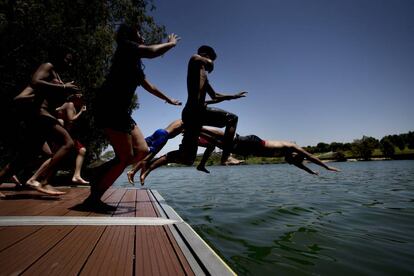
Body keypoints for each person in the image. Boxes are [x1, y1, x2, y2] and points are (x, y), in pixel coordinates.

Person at [81, 24, 181, 211]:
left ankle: (97, 172)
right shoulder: (126, 47)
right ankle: (93, 200)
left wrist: (168, 99)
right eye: (139, 33)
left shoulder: (133, 63)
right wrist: (171, 44)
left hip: (120, 111)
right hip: (108, 107)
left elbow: (148, 86)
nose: (142, 35)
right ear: (130, 36)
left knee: (142, 151)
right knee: (125, 157)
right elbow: (151, 51)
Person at [147, 46, 246, 175]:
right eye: (210, 58)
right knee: (232, 118)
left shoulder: (204, 76)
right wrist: (210, 62)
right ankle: (226, 156)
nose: (210, 63)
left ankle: (148, 165)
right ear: (205, 54)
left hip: (195, 114)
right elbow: (207, 63)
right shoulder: (195, 59)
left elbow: (215, 96)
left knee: (188, 157)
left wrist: (232, 96)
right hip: (194, 111)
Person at [0, 49, 79, 195]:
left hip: (43, 115)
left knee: (24, 156)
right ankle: (45, 182)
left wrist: (66, 90)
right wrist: (63, 87)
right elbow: (35, 81)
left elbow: (50, 95)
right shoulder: (48, 66)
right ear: (58, 57)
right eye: (67, 60)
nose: (69, 63)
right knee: (68, 143)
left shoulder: (57, 75)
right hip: (39, 113)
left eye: (70, 61)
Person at [196, 127, 341, 175]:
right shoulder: (291, 146)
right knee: (227, 137)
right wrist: (326, 166)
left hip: (249, 151)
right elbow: (310, 156)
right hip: (254, 142)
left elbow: (301, 164)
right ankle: (198, 127)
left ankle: (196, 134)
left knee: (220, 144)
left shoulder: (289, 157)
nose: (297, 157)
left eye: (296, 159)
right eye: (298, 156)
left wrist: (311, 172)